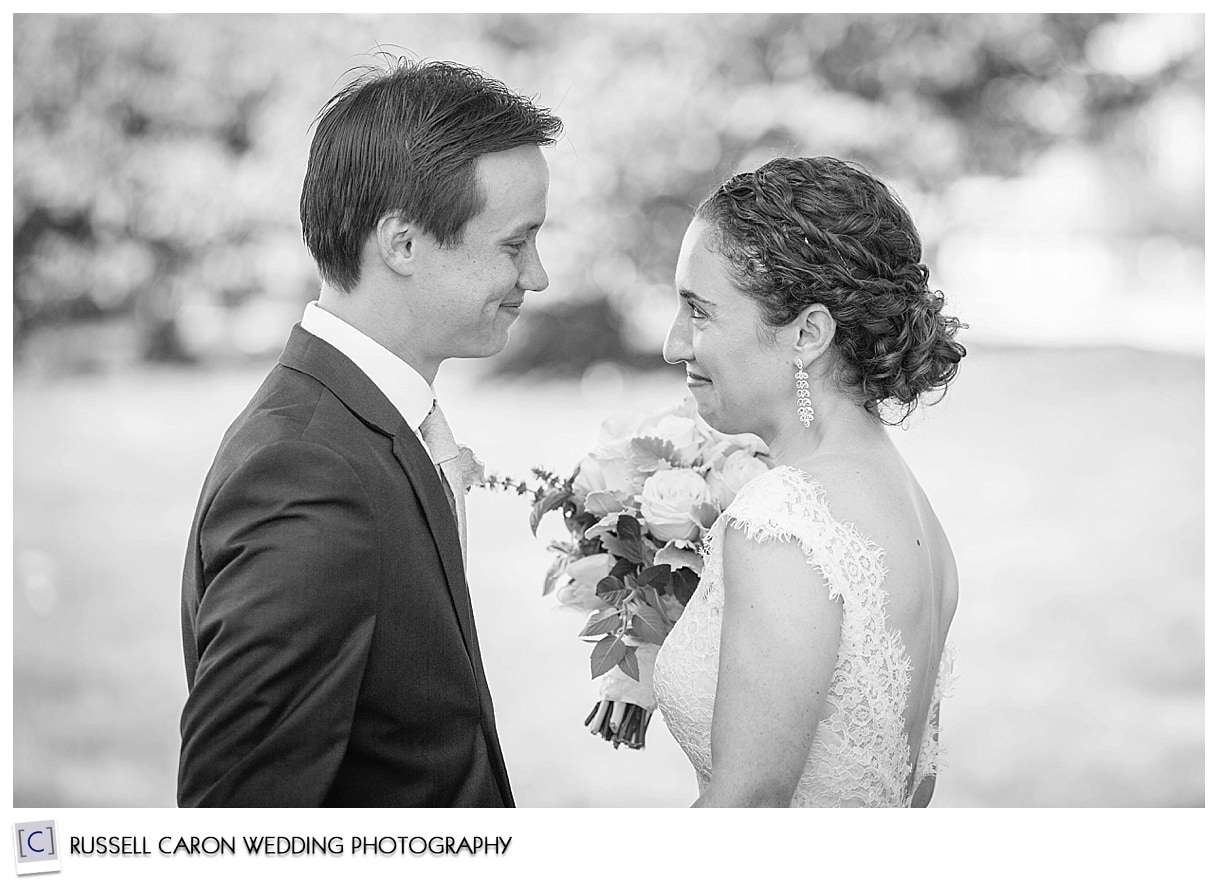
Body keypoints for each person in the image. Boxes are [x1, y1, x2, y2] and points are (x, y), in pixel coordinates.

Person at [178, 59, 561, 807]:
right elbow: (238, 821)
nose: (538, 276)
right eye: (516, 245)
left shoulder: (363, 424)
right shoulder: (308, 473)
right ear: (404, 244)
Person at [652, 156, 965, 807]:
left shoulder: (783, 522)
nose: (673, 344)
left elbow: (747, 807)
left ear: (808, 333)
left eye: (699, 311)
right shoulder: (909, 507)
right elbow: (916, 785)